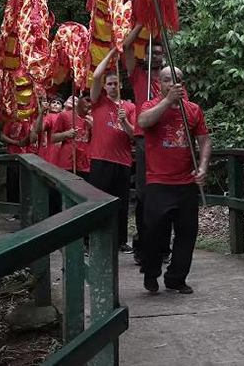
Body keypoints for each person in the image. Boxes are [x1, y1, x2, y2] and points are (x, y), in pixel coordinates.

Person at [136, 66, 212, 294]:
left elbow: (205, 140)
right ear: (159, 84)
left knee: (187, 233)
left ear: (183, 84)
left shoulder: (193, 110)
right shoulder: (150, 106)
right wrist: (167, 101)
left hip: (185, 182)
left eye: (177, 80)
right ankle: (151, 272)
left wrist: (202, 166)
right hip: (158, 181)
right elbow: (143, 122)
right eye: (167, 80)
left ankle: (176, 278)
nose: (172, 84)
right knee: (152, 233)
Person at [121, 27, 169, 262]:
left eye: (160, 53)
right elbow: (126, 47)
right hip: (144, 138)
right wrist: (141, 21)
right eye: (153, 53)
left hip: (166, 139)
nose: (157, 57)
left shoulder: (170, 79)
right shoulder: (140, 75)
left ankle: (163, 248)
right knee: (144, 193)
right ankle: (142, 246)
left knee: (166, 191)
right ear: (147, 55)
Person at [87, 47, 136, 252]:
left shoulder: (129, 107)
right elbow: (97, 75)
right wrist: (112, 54)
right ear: (105, 87)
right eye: (110, 84)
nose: (113, 86)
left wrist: (124, 122)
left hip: (123, 161)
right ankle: (92, 241)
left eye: (116, 83)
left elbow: (134, 135)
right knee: (97, 202)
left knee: (121, 204)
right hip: (100, 158)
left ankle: (120, 241)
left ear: (121, 85)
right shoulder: (98, 102)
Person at [52, 92, 92, 180]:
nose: (89, 104)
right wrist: (66, 134)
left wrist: (93, 128)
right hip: (67, 163)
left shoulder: (93, 118)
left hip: (86, 165)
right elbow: (52, 138)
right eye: (87, 100)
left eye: (91, 101)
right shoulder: (65, 115)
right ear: (79, 100)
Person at [1, 118, 32, 204]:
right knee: (12, 183)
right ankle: (12, 207)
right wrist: (15, 142)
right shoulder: (10, 121)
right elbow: (3, 135)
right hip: (11, 156)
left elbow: (28, 139)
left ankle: (24, 206)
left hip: (25, 156)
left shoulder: (28, 121)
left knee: (23, 183)